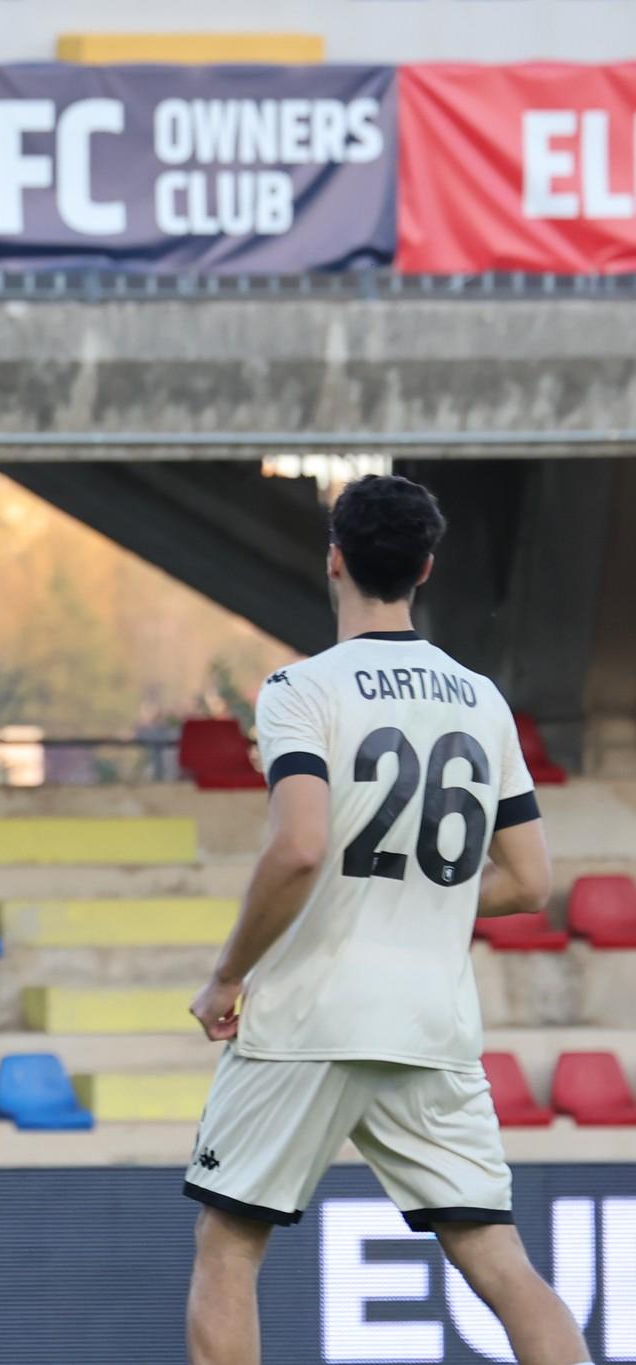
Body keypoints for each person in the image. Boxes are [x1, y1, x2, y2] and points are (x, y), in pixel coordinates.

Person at [183, 474, 591, 1365]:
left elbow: (299, 846)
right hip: (430, 1024)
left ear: (334, 558)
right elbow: (529, 880)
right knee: (500, 1259)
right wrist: (417, 896)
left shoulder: (300, 689)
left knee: (229, 1245)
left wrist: (228, 975)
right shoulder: (481, 698)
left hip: (308, 1019)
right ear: (426, 567)